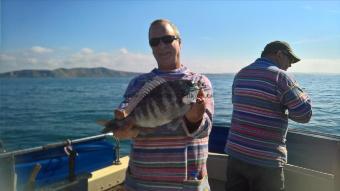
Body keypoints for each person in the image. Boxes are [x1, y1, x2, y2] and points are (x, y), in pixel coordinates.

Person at [111, 19, 214, 191]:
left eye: (167, 39)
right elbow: (126, 127)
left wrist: (195, 118)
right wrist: (122, 130)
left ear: (179, 42)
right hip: (141, 184)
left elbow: (204, 130)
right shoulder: (138, 83)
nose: (161, 46)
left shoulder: (197, 83)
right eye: (154, 42)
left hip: (188, 185)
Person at [225, 41, 312, 191]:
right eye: (290, 59)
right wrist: (297, 97)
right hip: (265, 161)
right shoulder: (282, 77)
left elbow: (240, 105)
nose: (290, 65)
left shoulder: (241, 74)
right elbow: (304, 114)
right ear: (279, 54)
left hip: (236, 155)